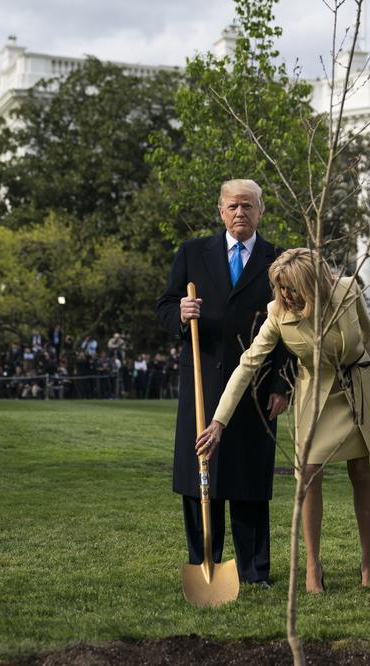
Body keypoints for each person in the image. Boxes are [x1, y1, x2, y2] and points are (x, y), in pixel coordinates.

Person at [197, 249, 370, 593]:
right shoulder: (277, 314)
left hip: (356, 389)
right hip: (315, 396)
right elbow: (247, 366)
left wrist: (360, 367)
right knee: (307, 476)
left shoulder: (348, 291)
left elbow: (366, 336)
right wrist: (218, 422)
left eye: (291, 288)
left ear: (312, 282)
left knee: (361, 471)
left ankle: (368, 559)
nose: (285, 295)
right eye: (279, 288)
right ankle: (312, 566)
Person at [156, 178, 291, 588]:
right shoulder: (192, 253)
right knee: (202, 475)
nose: (240, 213)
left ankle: (253, 572)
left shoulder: (277, 259)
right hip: (203, 379)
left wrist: (282, 384)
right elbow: (163, 308)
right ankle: (203, 563)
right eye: (233, 206)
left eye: (248, 206)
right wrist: (180, 312)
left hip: (256, 387)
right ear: (220, 210)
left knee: (248, 479)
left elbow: (290, 324)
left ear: (261, 211)